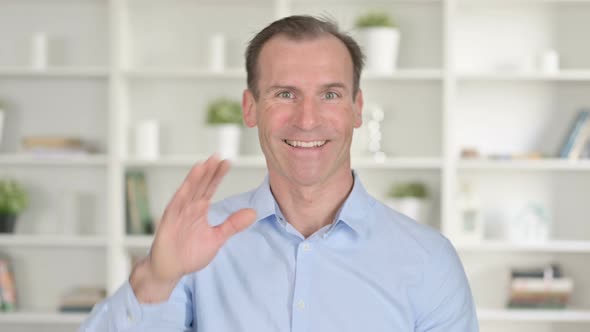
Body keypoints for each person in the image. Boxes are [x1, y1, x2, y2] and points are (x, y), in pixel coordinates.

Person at [80, 15, 478, 332]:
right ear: (250, 108)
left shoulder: (428, 261)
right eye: (285, 94)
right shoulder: (196, 246)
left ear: (357, 108)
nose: (307, 120)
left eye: (330, 94)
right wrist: (155, 280)